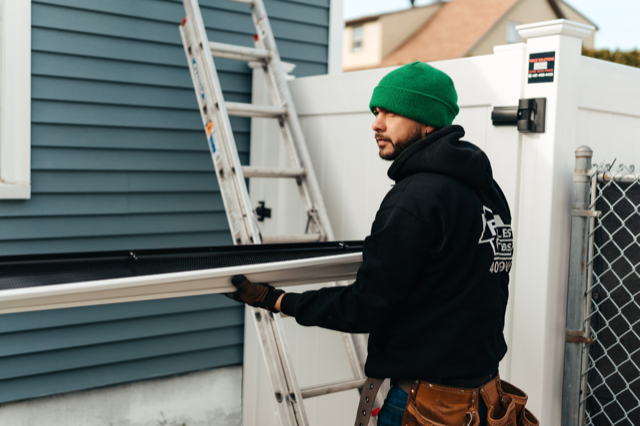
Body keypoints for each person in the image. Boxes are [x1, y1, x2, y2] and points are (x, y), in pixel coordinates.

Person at [227, 62, 532, 426]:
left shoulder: (415, 198)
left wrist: (278, 300)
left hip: (429, 407)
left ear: (428, 120)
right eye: (376, 111)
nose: (376, 123)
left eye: (392, 112)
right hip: (487, 400)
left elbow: (365, 306)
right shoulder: (487, 191)